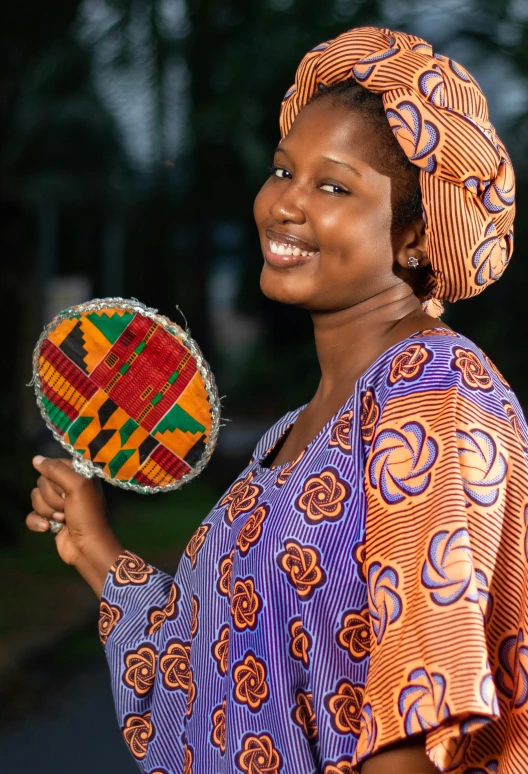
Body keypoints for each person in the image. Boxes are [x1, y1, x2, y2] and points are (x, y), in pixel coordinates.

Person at [26, 26, 527, 774]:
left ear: (416, 236)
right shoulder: (297, 432)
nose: (284, 205)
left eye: (333, 186)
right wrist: (95, 546)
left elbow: (415, 718)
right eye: (282, 170)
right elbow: (222, 664)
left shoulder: (433, 392)